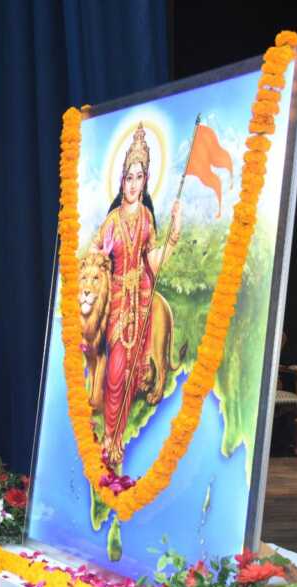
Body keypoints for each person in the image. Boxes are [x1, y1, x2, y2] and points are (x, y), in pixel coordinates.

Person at [86, 122, 182, 465]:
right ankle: (109, 436)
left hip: (141, 300)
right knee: (115, 371)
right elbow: (94, 254)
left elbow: (152, 261)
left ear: (145, 181)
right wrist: (99, 264)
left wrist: (173, 234)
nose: (133, 183)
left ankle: (118, 439)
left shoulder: (146, 218)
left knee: (132, 373)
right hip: (116, 302)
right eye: (129, 176)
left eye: (139, 177)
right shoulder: (112, 219)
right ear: (122, 179)